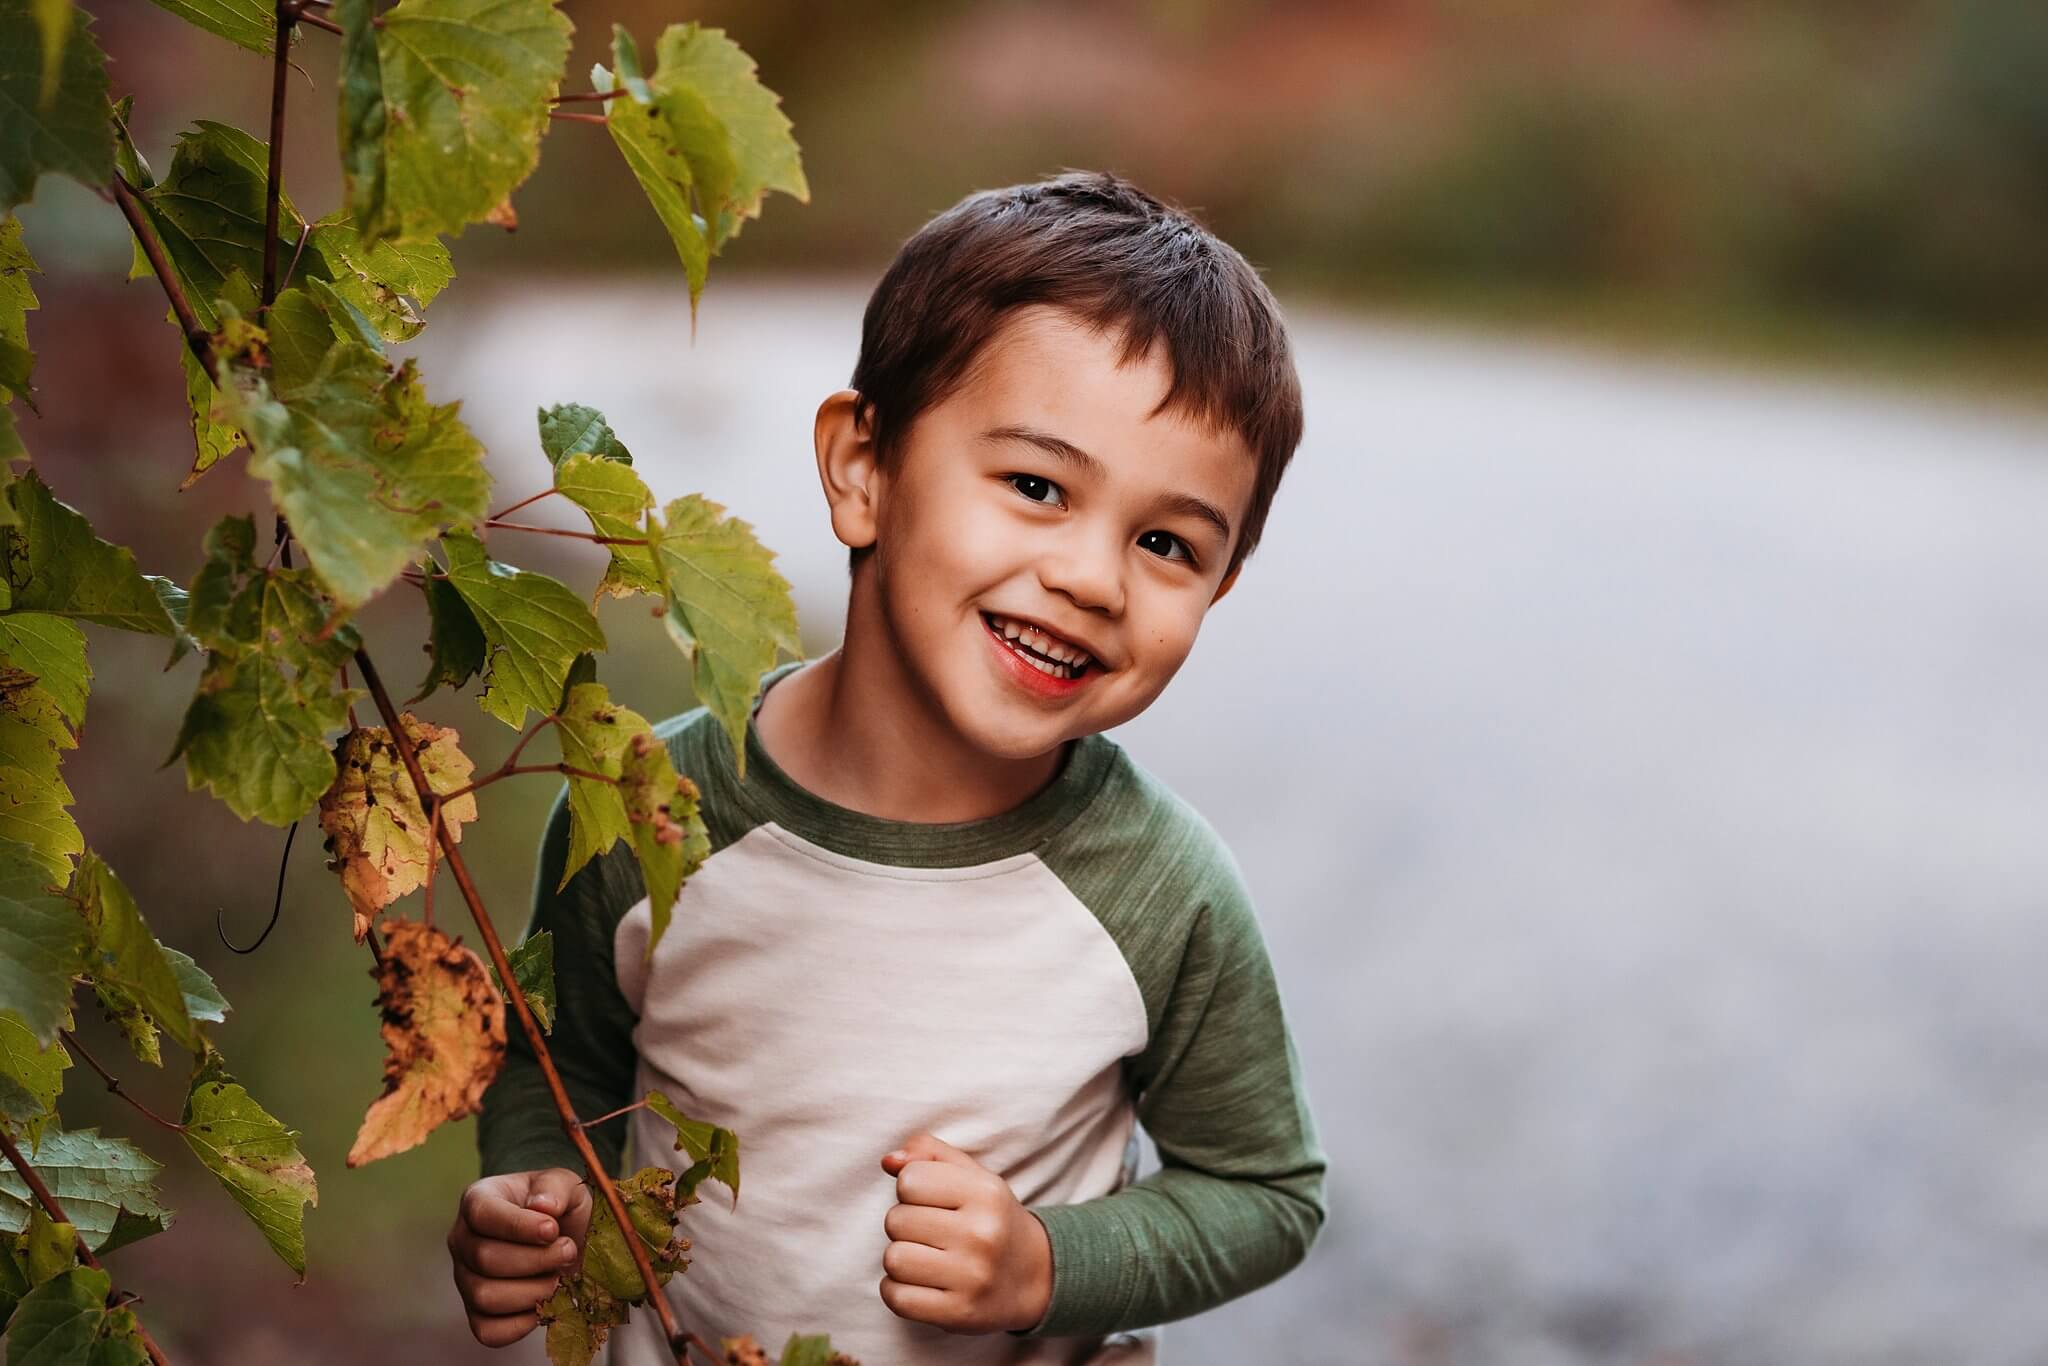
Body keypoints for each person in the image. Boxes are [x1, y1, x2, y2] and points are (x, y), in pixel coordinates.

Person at [448, 170, 1327, 1364]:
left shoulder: (1157, 891)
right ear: (864, 467)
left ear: (1216, 588)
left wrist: (1044, 1264)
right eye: (1034, 486)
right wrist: (532, 1201)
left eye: (1166, 543)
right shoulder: (646, 812)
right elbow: (562, 1073)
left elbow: (1265, 1192)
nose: (1090, 577)